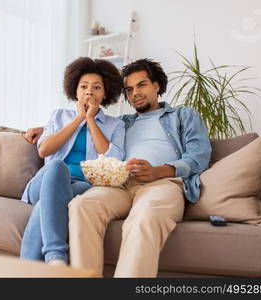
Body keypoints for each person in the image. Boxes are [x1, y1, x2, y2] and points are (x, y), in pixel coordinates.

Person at [24, 58, 211, 276]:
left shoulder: (183, 115)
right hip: (119, 184)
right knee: (81, 207)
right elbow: (88, 124)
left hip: (161, 182)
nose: (135, 93)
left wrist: (158, 171)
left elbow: (199, 157)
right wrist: (42, 128)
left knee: (144, 218)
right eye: (129, 89)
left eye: (141, 85)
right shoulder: (123, 122)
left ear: (156, 86)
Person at [20, 57, 126, 266]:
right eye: (84, 87)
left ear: (105, 93)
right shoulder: (59, 116)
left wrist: (90, 120)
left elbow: (113, 159)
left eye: (96, 87)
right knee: (57, 167)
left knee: (46, 205)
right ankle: (56, 255)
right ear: (75, 90)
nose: (89, 92)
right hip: (44, 182)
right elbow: (44, 149)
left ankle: (31, 272)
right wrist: (78, 119)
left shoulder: (116, 125)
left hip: (82, 187)